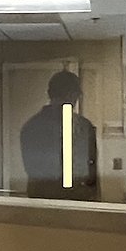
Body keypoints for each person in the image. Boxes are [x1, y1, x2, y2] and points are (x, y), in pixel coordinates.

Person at [20, 70, 99, 200]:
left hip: (43, 200)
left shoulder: (31, 126)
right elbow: (91, 172)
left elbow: (32, 169)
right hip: (71, 200)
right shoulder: (83, 127)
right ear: (74, 95)